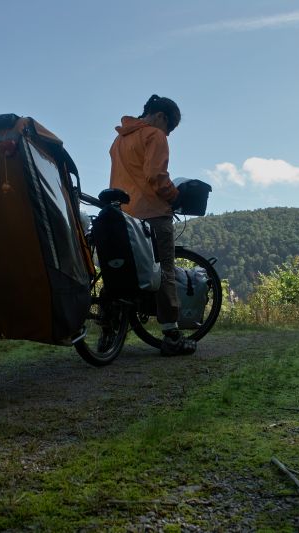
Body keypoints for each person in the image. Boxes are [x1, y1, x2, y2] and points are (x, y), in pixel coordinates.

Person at [108, 94, 196, 356]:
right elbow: (156, 177)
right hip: (152, 214)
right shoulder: (155, 135)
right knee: (165, 271)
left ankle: (111, 330)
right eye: (169, 128)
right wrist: (175, 196)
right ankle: (171, 336)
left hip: (123, 215)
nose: (167, 134)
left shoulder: (119, 139)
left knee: (122, 274)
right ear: (161, 117)